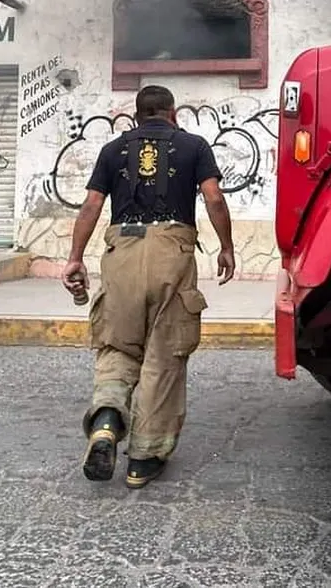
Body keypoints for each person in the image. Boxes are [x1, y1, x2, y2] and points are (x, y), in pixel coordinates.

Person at [61, 85, 235, 489]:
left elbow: (90, 206)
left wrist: (74, 257)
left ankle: (106, 421)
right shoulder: (194, 145)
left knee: (118, 347)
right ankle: (144, 456)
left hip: (120, 249)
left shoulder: (112, 150)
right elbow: (213, 198)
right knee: (163, 355)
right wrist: (226, 247)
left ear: (137, 116)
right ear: (173, 113)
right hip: (171, 252)